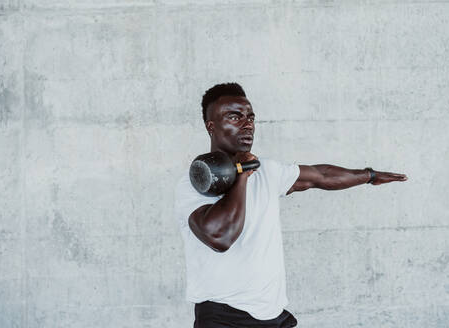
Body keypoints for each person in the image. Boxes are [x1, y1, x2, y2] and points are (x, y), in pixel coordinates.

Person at [174, 83, 407, 327]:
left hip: (272, 313)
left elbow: (320, 176)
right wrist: (242, 173)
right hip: (223, 316)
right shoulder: (193, 185)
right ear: (211, 126)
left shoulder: (268, 171)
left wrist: (369, 176)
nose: (247, 124)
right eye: (235, 117)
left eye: (250, 117)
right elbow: (221, 236)